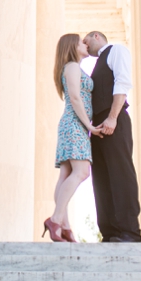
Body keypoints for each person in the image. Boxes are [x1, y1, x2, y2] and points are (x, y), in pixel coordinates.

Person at [83, 30, 141, 242]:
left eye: (86, 40)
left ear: (96, 36)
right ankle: (110, 232)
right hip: (97, 128)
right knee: (101, 178)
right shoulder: (97, 64)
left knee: (121, 174)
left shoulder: (116, 50)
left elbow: (122, 83)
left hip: (113, 121)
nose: (85, 45)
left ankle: (130, 231)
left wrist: (112, 117)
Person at [43, 33, 102, 242]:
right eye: (80, 42)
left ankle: (65, 227)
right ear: (72, 47)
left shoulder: (71, 67)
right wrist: (90, 126)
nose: (85, 44)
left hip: (72, 124)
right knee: (82, 171)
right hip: (75, 124)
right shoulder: (72, 66)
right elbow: (76, 97)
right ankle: (56, 219)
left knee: (66, 175)